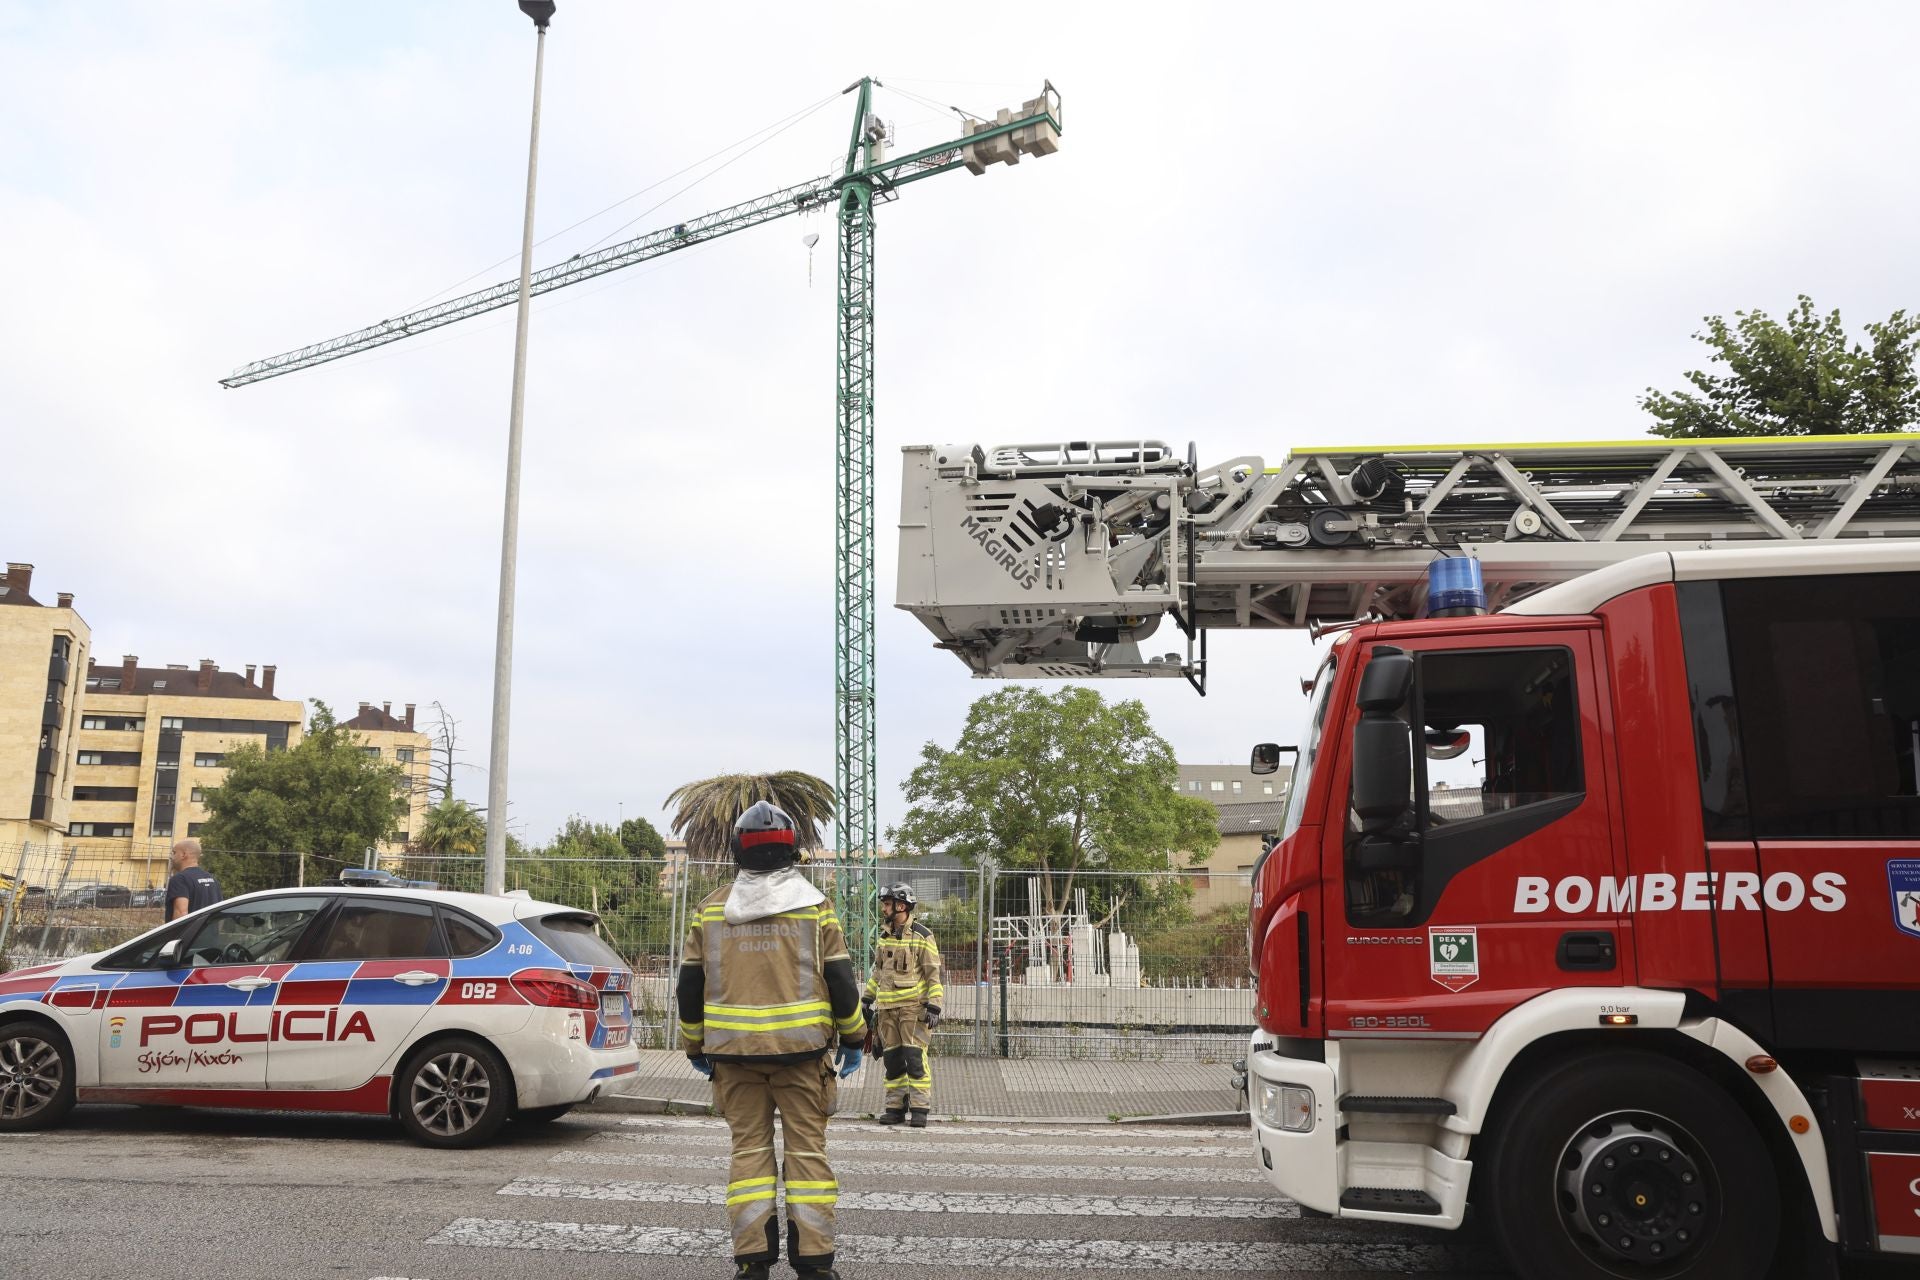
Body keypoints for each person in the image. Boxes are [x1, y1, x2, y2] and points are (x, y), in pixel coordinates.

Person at [677, 802, 865, 1280]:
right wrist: (855, 1038)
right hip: (803, 1060)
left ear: (738, 850)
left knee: (750, 1157)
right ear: (792, 852)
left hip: (733, 1059)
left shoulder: (711, 910)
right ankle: (815, 1265)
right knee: (806, 1157)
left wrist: (694, 1046)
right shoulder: (815, 907)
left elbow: (689, 987)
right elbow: (841, 980)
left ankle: (752, 1263)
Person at [862, 883, 944, 1128]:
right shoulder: (884, 936)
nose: (884, 909)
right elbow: (878, 973)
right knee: (892, 1060)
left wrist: (934, 1006)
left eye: (887, 904)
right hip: (887, 1011)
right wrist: (867, 999)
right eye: (884, 904)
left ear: (902, 906)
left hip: (912, 1010)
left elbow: (933, 975)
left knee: (915, 1059)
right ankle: (895, 1108)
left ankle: (920, 1108)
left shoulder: (922, 935)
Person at [164, 838, 221, 921]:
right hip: (210, 933)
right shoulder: (212, 879)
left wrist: (176, 934)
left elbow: (181, 914)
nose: (171, 857)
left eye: (174, 853)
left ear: (183, 854)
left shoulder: (180, 879)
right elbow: (219, 913)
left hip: (190, 934)